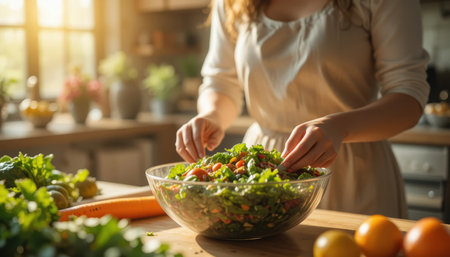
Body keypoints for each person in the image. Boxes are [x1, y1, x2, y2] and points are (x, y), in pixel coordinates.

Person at [175, 0, 430, 218]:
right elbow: (221, 82)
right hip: (263, 172)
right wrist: (212, 115)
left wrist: (339, 127)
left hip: (354, 173)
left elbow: (408, 97)